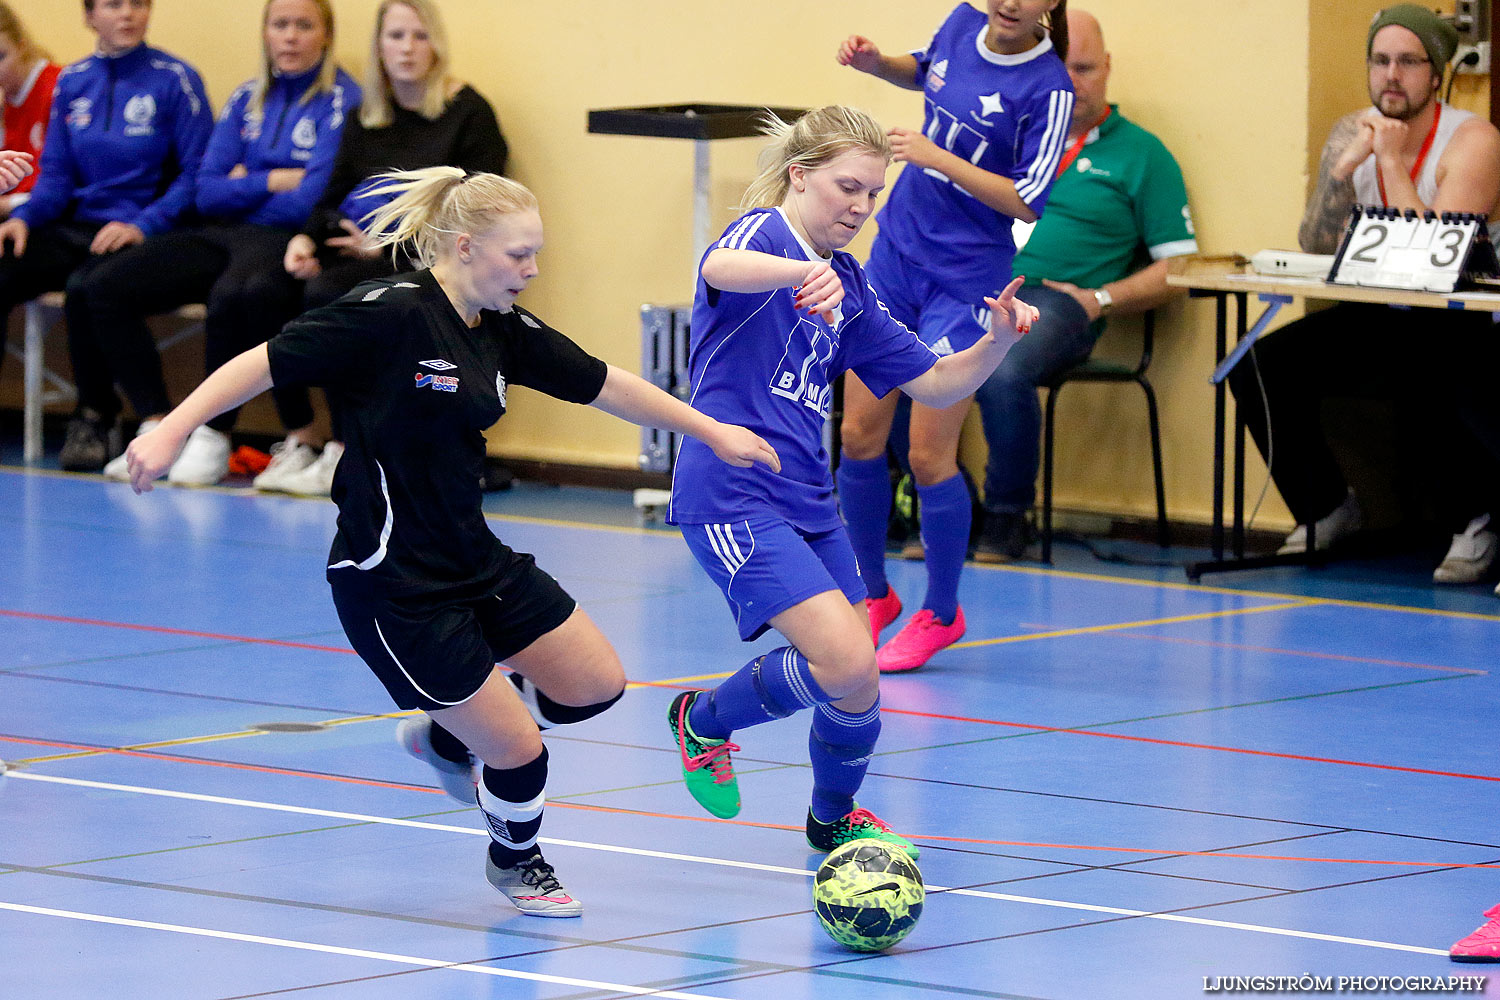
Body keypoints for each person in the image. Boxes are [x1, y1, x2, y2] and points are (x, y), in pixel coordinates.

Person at [123, 165, 780, 915]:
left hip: (475, 557)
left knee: (594, 684)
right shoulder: (388, 313)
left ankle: (444, 737)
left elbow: (606, 383)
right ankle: (517, 858)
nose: (531, 272)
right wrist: (173, 429)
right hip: (393, 581)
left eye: (537, 255)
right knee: (518, 753)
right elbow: (259, 363)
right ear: (465, 246)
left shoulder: (498, 327)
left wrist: (712, 432)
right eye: (519, 256)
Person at [664, 107, 1036, 855]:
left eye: (874, 194)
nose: (861, 208)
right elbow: (716, 267)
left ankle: (831, 816)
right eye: (847, 188)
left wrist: (995, 342)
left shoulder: (850, 285)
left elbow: (933, 382)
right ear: (800, 176)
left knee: (858, 681)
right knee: (844, 657)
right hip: (733, 491)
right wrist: (804, 272)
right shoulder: (766, 237)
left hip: (810, 502)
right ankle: (703, 720)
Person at [834, 0, 1074, 673]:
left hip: (967, 279)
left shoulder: (1050, 88)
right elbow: (927, 70)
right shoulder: (962, 21)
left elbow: (1028, 198)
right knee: (857, 434)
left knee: (928, 455)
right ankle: (872, 594)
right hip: (896, 254)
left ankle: (941, 611)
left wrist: (936, 157)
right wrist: (876, 62)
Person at [1226, 4, 1500, 588]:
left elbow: (1438, 257)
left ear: (1435, 72)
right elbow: (1316, 241)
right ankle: (1326, 507)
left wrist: (1392, 161)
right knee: (1257, 366)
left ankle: (1476, 518)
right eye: (1379, 61)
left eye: (1407, 62)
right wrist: (1340, 173)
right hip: (1382, 312)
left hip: (1461, 319)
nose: (1391, 76)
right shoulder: (1352, 131)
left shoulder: (1474, 140)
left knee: (1435, 371)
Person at [74, 0, 357, 481]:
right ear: (265, 33)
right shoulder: (247, 96)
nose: (289, 37)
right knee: (102, 287)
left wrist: (244, 181)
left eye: (303, 26)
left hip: (285, 239)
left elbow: (313, 198)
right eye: (279, 25)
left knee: (237, 295)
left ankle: (216, 434)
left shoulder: (342, 100)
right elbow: (207, 192)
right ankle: (158, 424)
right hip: (221, 233)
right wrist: (271, 180)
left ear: (325, 36)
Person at [971, 7, 1197, 561]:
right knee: (892, 348)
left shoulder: (1142, 154)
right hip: (976, 286)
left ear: (1108, 69)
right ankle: (943, 505)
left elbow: (1181, 268)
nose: (1071, 82)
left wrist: (1100, 299)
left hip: (1060, 302)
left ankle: (1005, 518)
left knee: (1003, 367)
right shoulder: (1013, 138)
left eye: (1086, 68)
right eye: (1059, 66)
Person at [260, 0, 508, 497]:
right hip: (362, 253)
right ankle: (307, 438)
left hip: (436, 263)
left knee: (332, 300)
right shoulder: (367, 116)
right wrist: (307, 238)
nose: (408, 48)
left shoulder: (468, 113)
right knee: (267, 288)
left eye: (419, 36)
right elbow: (331, 194)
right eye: (396, 36)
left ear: (436, 45)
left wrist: (392, 242)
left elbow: (485, 211)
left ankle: (350, 445)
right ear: (379, 46)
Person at [0, 0, 212, 468]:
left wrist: (142, 225)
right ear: (89, 15)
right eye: (114, 5)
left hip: (153, 229)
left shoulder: (176, 78)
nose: (128, 15)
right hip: (79, 224)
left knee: (87, 288)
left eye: (138, 4)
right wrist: (26, 217)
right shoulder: (73, 82)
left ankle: (97, 416)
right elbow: (54, 176)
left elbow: (196, 176)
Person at [0, 3, 60, 215]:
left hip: (47, 217)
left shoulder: (60, 88)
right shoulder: (5, 102)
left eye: (1, 57)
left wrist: (7, 205)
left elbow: (66, 185)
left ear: (21, 46)